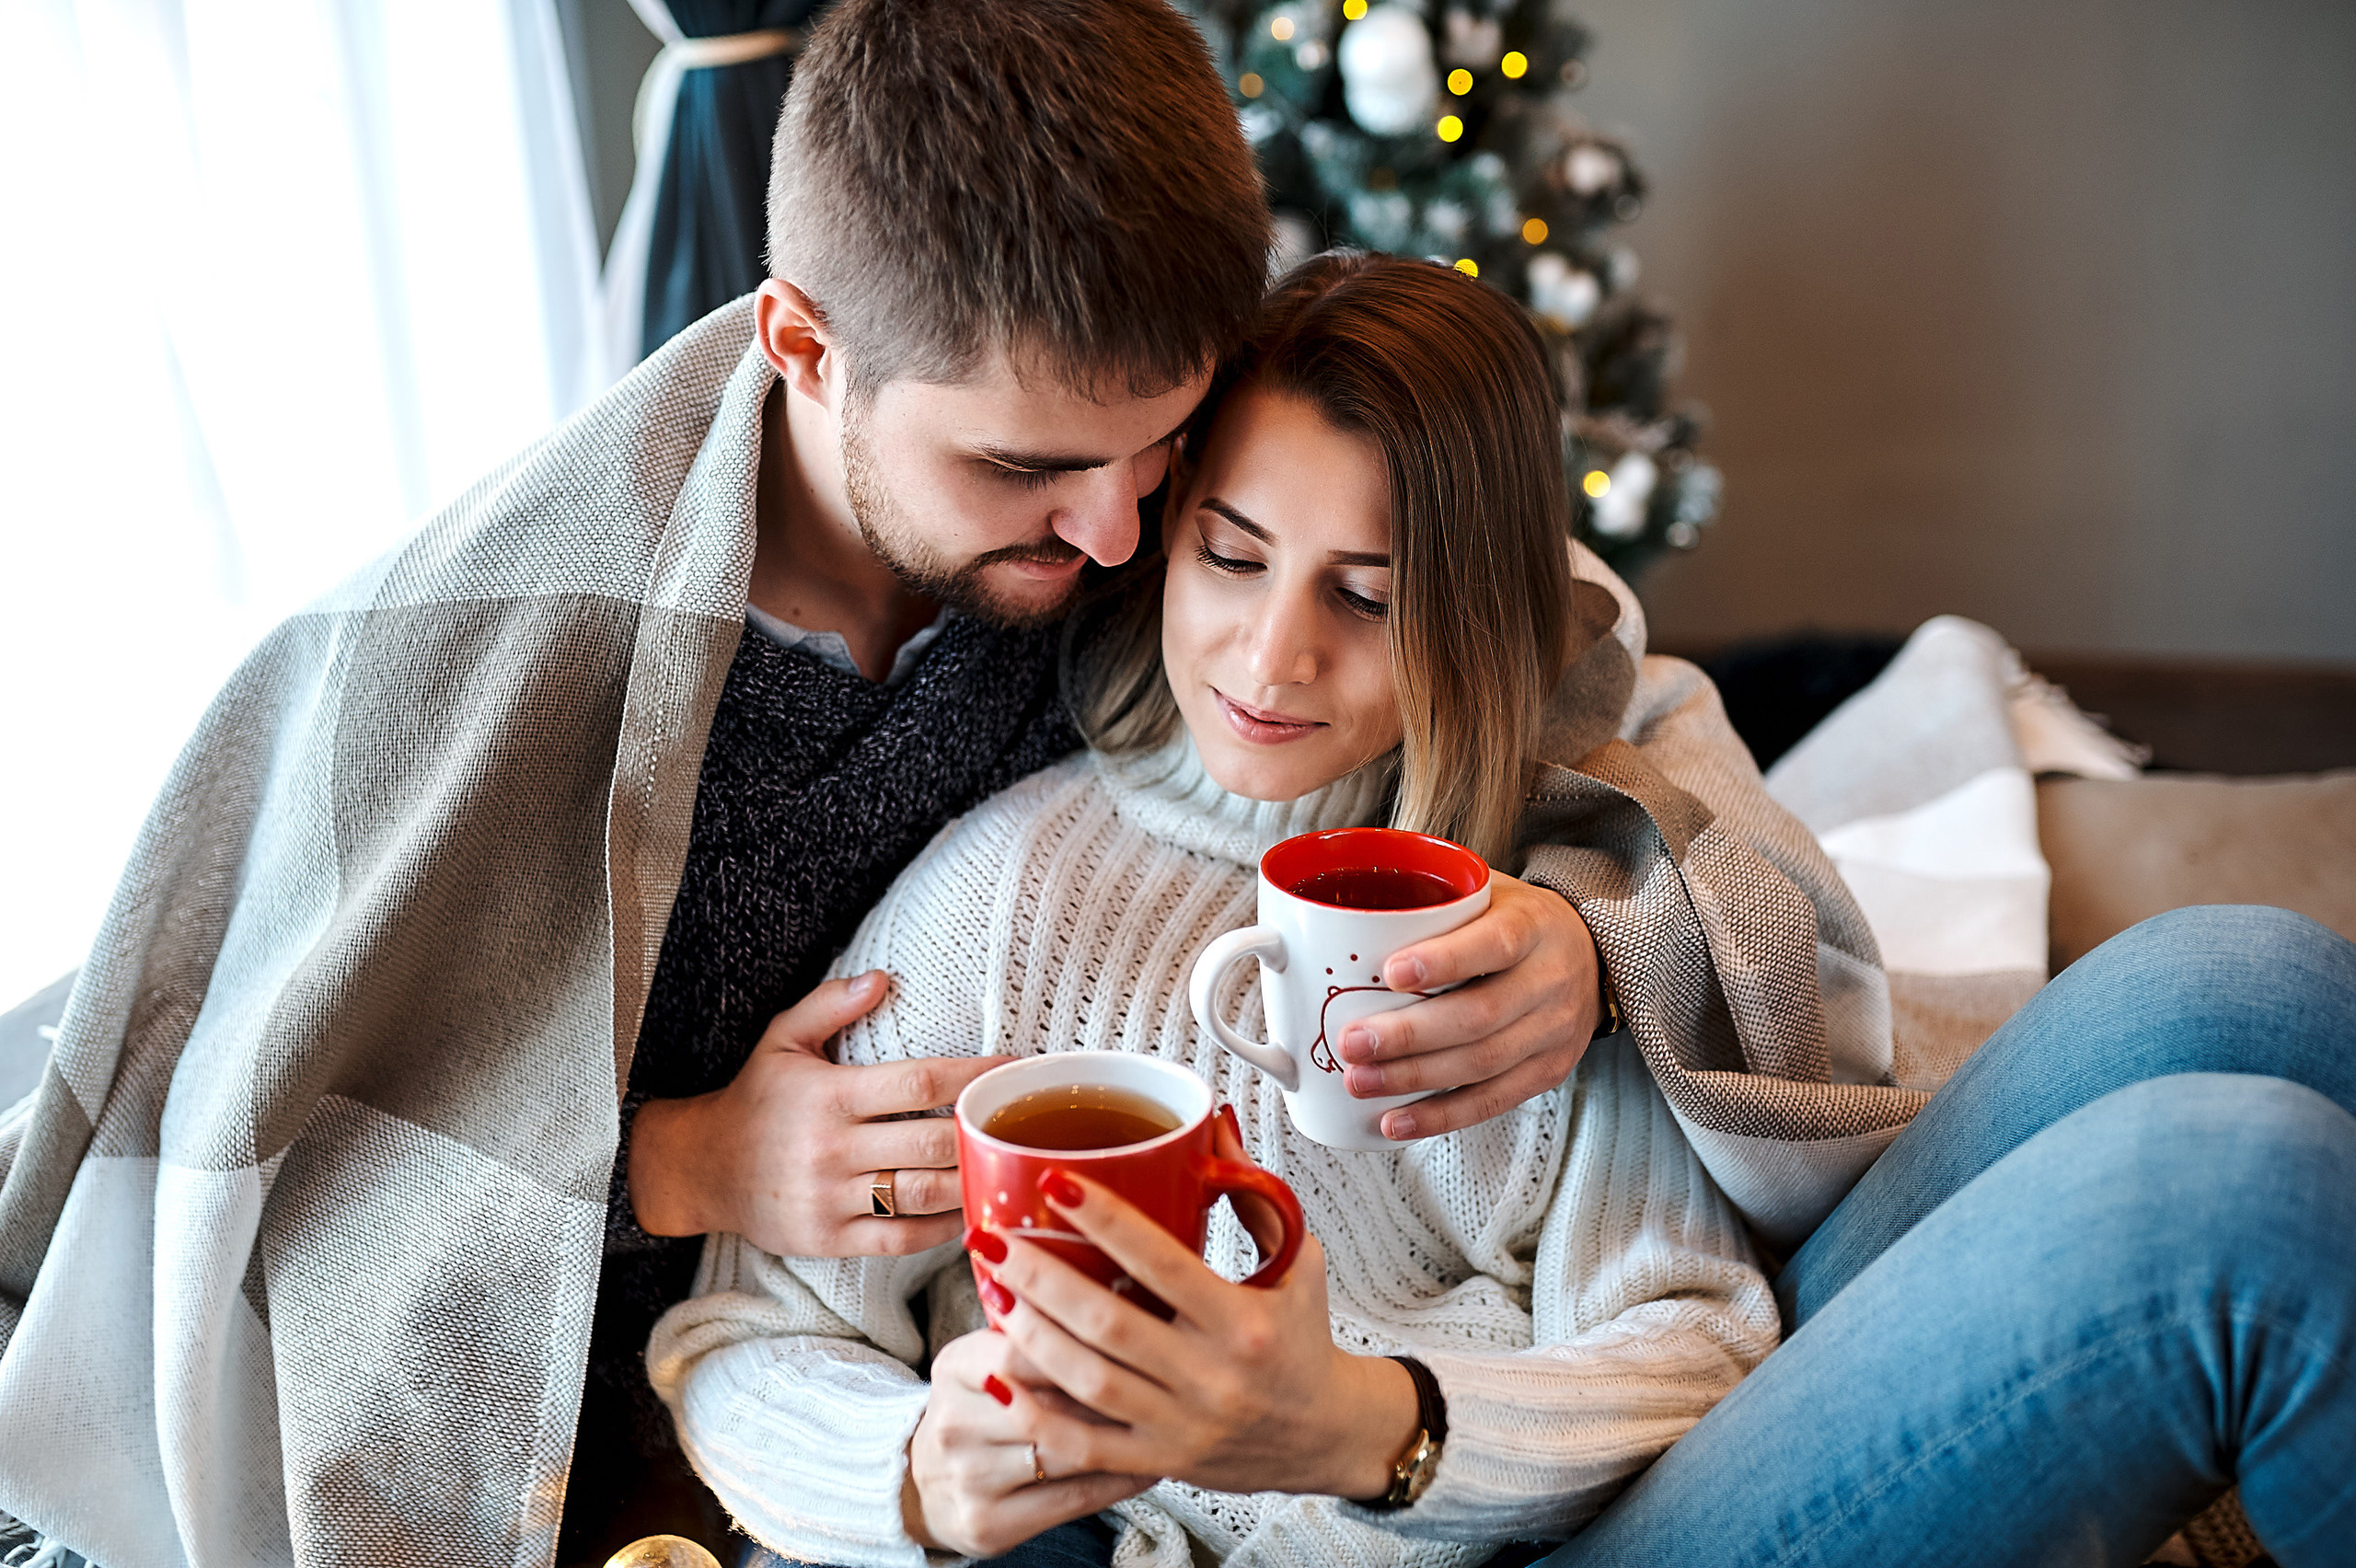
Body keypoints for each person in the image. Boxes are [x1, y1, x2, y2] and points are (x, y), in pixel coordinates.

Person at [0, 4, 1620, 1562]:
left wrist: (1593, 942)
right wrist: (682, 1163)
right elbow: (233, 1199)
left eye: (1160, 455)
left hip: (932, 1397)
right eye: (1024, 468)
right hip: (612, 1416)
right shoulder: (473, 664)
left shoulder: (1150, 508)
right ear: (802, 348)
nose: (1117, 534)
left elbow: (1546, 635)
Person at [648, 254, 1783, 1568]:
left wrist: (1365, 1430)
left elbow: (1691, 1341)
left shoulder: (1536, 936)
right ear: (1164, 526)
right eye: (1232, 556)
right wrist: (912, 1478)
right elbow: (746, 1332)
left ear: (1468, 615)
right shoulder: (1005, 892)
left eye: (1365, 596)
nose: (1270, 656)